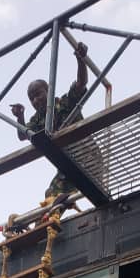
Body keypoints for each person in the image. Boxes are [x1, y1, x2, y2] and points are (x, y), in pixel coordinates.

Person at [9, 42, 96, 203]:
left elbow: (81, 83)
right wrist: (20, 116)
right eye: (31, 98)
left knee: (90, 192)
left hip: (87, 156)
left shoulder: (64, 103)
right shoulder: (37, 120)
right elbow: (23, 135)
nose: (35, 100)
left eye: (38, 94)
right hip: (67, 164)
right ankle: (50, 225)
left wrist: (81, 59)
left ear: (48, 90)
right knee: (51, 196)